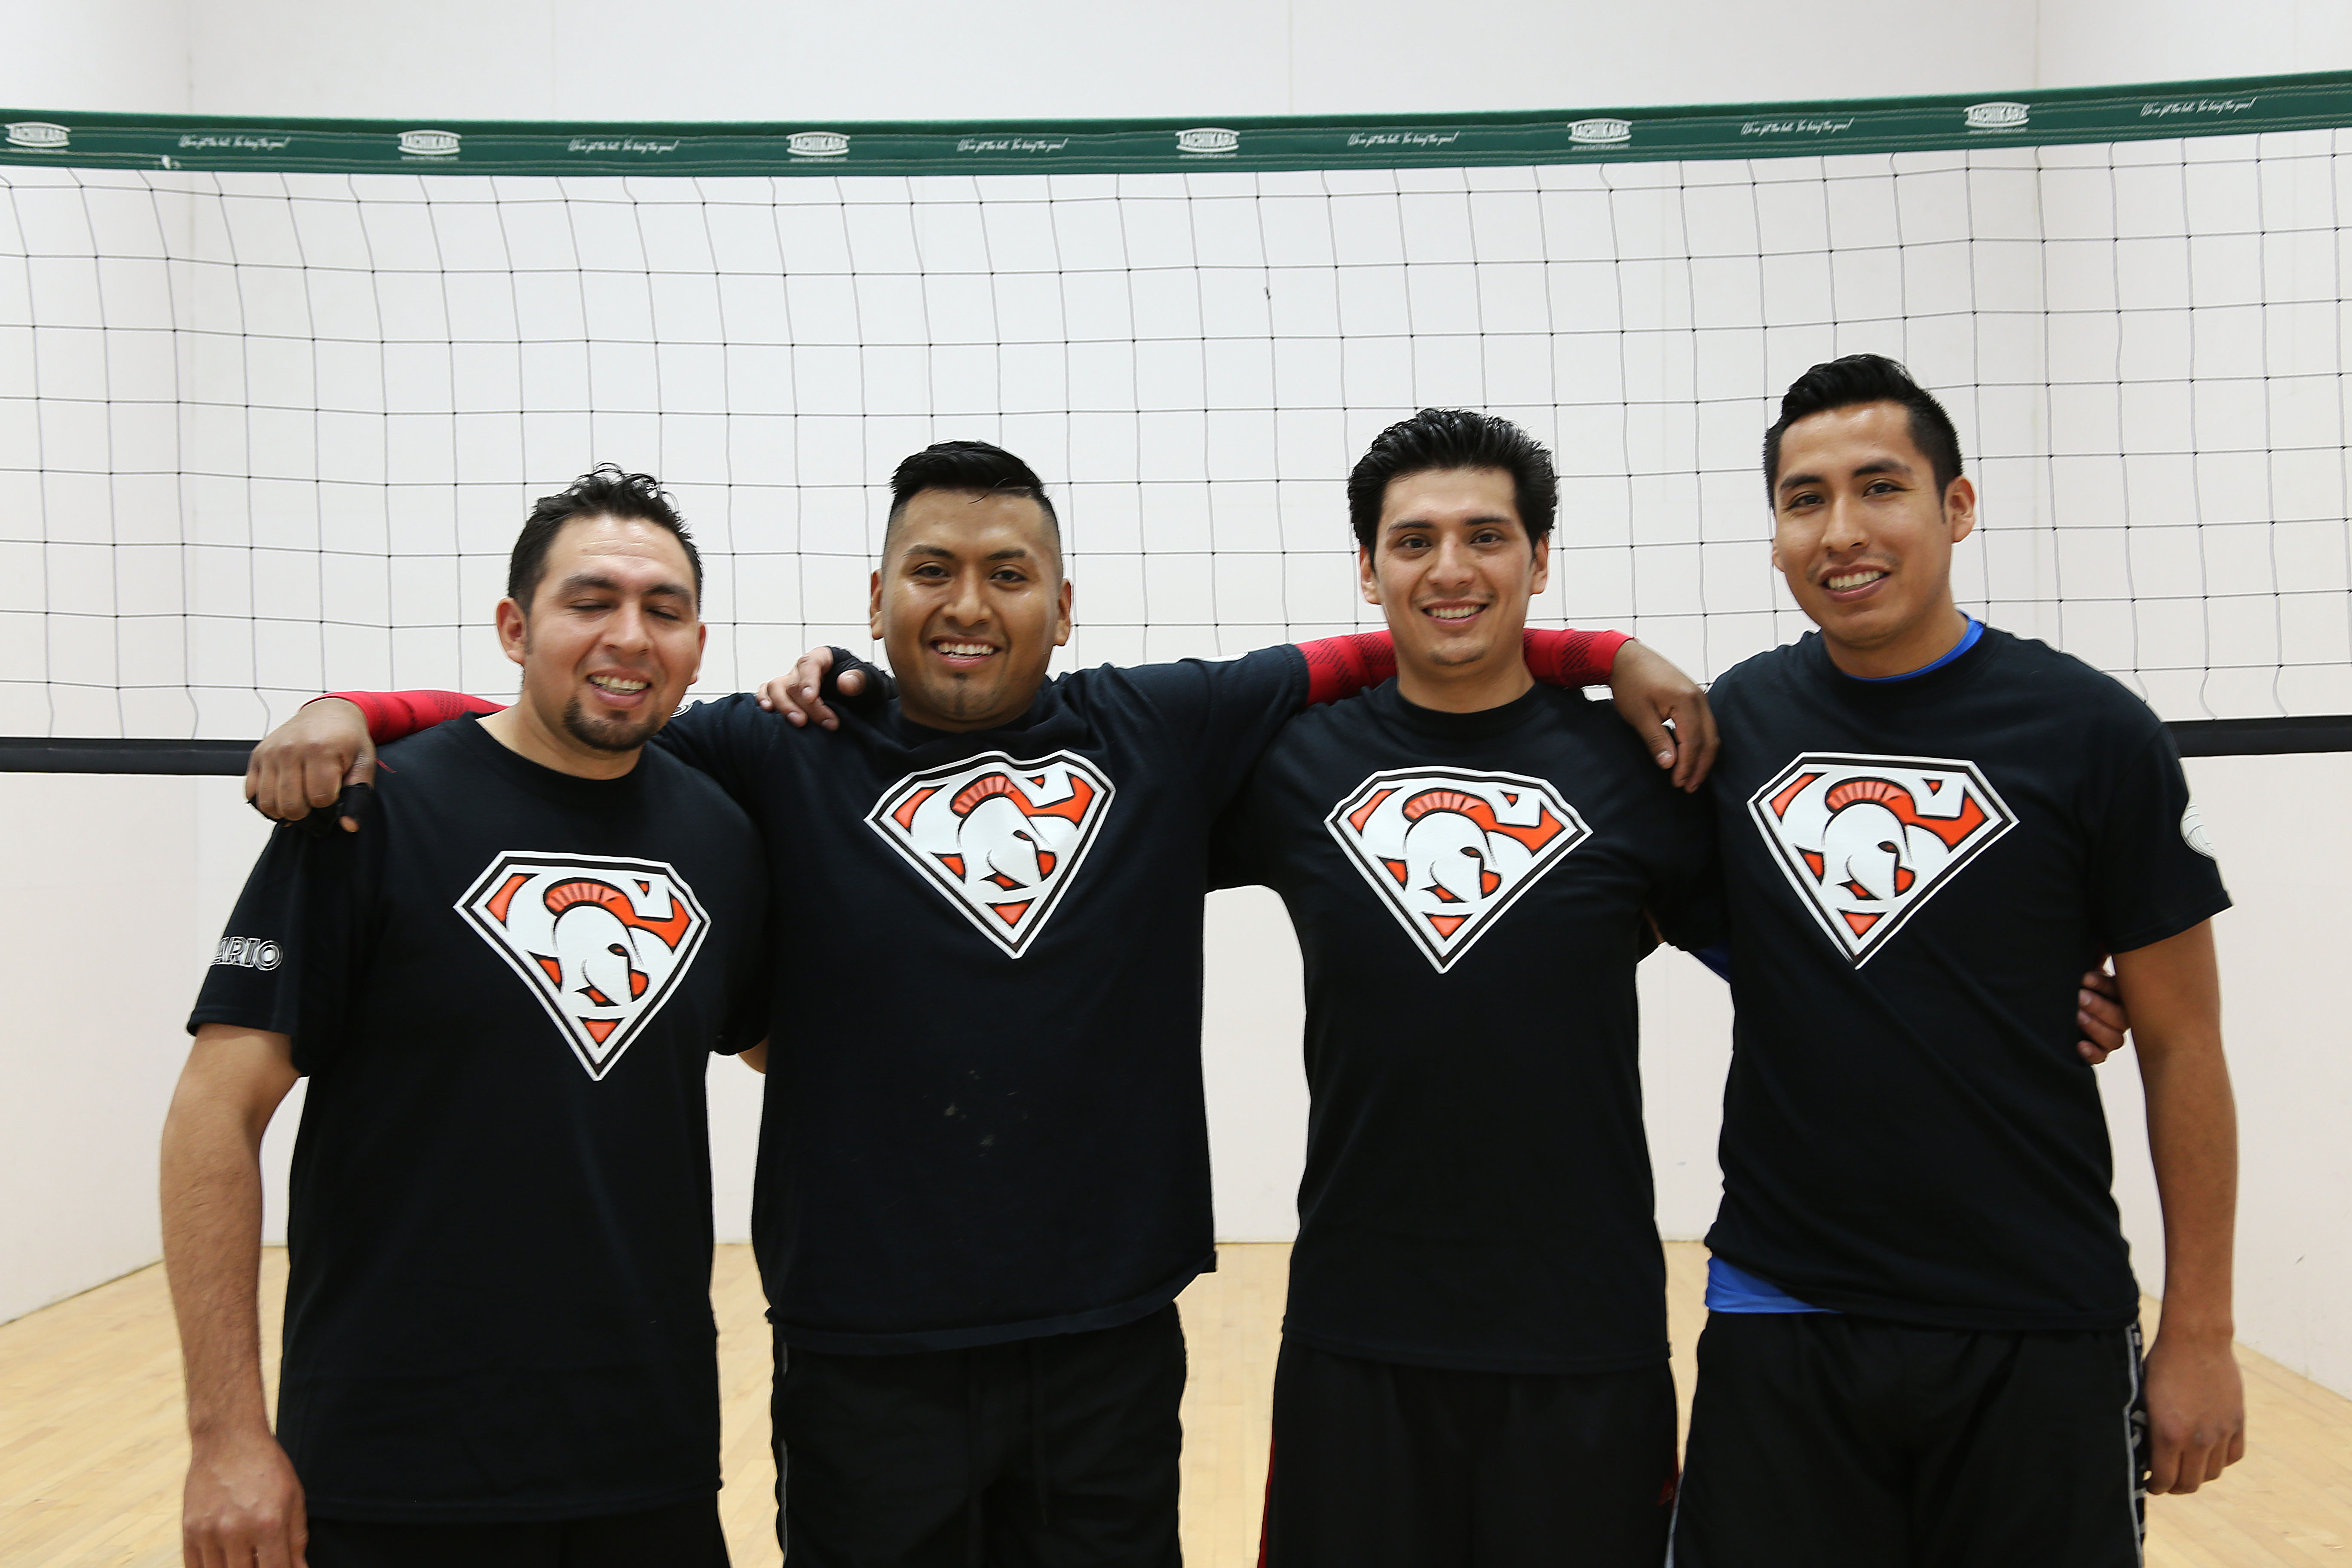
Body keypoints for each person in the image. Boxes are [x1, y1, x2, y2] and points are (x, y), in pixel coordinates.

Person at [242, 439, 1715, 1567]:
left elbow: (1418, 642)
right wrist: (361, 710)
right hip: (860, 1350)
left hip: (1106, 1341)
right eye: (931, 570)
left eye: (1009, 573)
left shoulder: (1164, 728)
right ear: (876, 598)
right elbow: (571, 722)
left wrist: (1599, 652)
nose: (967, 603)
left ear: (1063, 606)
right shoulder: (778, 748)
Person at [1670, 355, 2244, 1565]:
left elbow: (2184, 1041)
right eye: (1805, 500)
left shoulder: (2093, 731)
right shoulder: (1741, 722)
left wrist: (2200, 1333)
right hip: (1784, 1315)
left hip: (2036, 1319)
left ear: (1958, 507)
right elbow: (1775, 942)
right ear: (1776, 537)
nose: (1842, 530)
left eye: (1880, 487)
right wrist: (1612, 659)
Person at [163, 467, 769, 1568]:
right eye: (591, 601)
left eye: (664, 609)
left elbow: (793, 1050)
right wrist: (226, 1436)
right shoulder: (370, 811)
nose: (630, 636)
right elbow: (215, 1115)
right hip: (392, 1468)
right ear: (514, 628)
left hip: (650, 1459)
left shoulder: (723, 836)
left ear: (697, 645)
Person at [1212, 410, 1721, 1565]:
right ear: (1369, 569)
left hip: (1584, 1334)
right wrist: (851, 702)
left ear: (1539, 561)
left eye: (1486, 537)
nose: (1451, 569)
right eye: (1415, 542)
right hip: (1357, 1329)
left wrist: (2031, 990)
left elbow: (1812, 962)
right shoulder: (1291, 763)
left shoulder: (1639, 769)